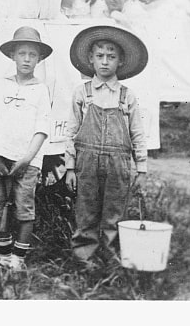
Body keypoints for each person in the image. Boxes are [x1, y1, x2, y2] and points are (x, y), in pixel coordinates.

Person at [64, 25, 149, 268]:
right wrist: (70, 167)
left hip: (118, 164)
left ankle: (110, 257)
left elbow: (137, 133)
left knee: (114, 213)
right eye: (99, 56)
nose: (104, 62)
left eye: (111, 57)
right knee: (86, 211)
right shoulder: (82, 92)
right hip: (86, 162)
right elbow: (71, 131)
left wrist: (141, 168)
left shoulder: (127, 96)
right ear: (90, 59)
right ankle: (84, 258)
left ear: (120, 61)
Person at [0, 27, 54, 270]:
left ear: (39, 59)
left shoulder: (41, 90)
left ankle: (18, 260)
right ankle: (3, 256)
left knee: (24, 210)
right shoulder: (2, 86)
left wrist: (26, 160)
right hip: (0, 157)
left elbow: (42, 129)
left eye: (32, 55)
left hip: (27, 161)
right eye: (21, 53)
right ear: (13, 56)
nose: (26, 59)